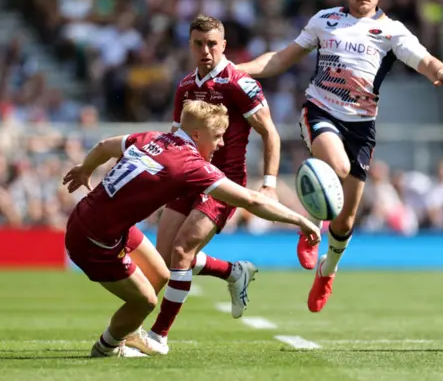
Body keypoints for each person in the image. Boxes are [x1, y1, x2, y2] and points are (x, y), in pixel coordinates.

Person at [235, 0, 443, 312]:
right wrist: (234, 70)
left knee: (346, 219)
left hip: (361, 126)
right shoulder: (325, 20)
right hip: (320, 111)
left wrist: (439, 71)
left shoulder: (391, 31)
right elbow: (281, 59)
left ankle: (329, 269)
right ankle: (309, 227)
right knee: (336, 166)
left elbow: (423, 58)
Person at [63, 100, 320, 358]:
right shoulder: (189, 165)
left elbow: (103, 146)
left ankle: (130, 330)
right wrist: (299, 219)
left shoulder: (153, 137)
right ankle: (106, 347)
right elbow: (251, 200)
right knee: (146, 301)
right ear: (197, 134)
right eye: (218, 136)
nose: (221, 144)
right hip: (94, 240)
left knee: (162, 273)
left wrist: (86, 169)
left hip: (91, 218)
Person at [147, 14, 282, 349]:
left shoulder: (239, 83)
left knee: (181, 252)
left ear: (223, 45)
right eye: (198, 43)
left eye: (212, 44)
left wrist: (269, 184)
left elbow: (270, 133)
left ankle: (157, 337)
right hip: (187, 178)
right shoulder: (184, 87)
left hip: (224, 182)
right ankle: (233, 271)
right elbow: (177, 138)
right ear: (190, 45)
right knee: (165, 261)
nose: (205, 50)